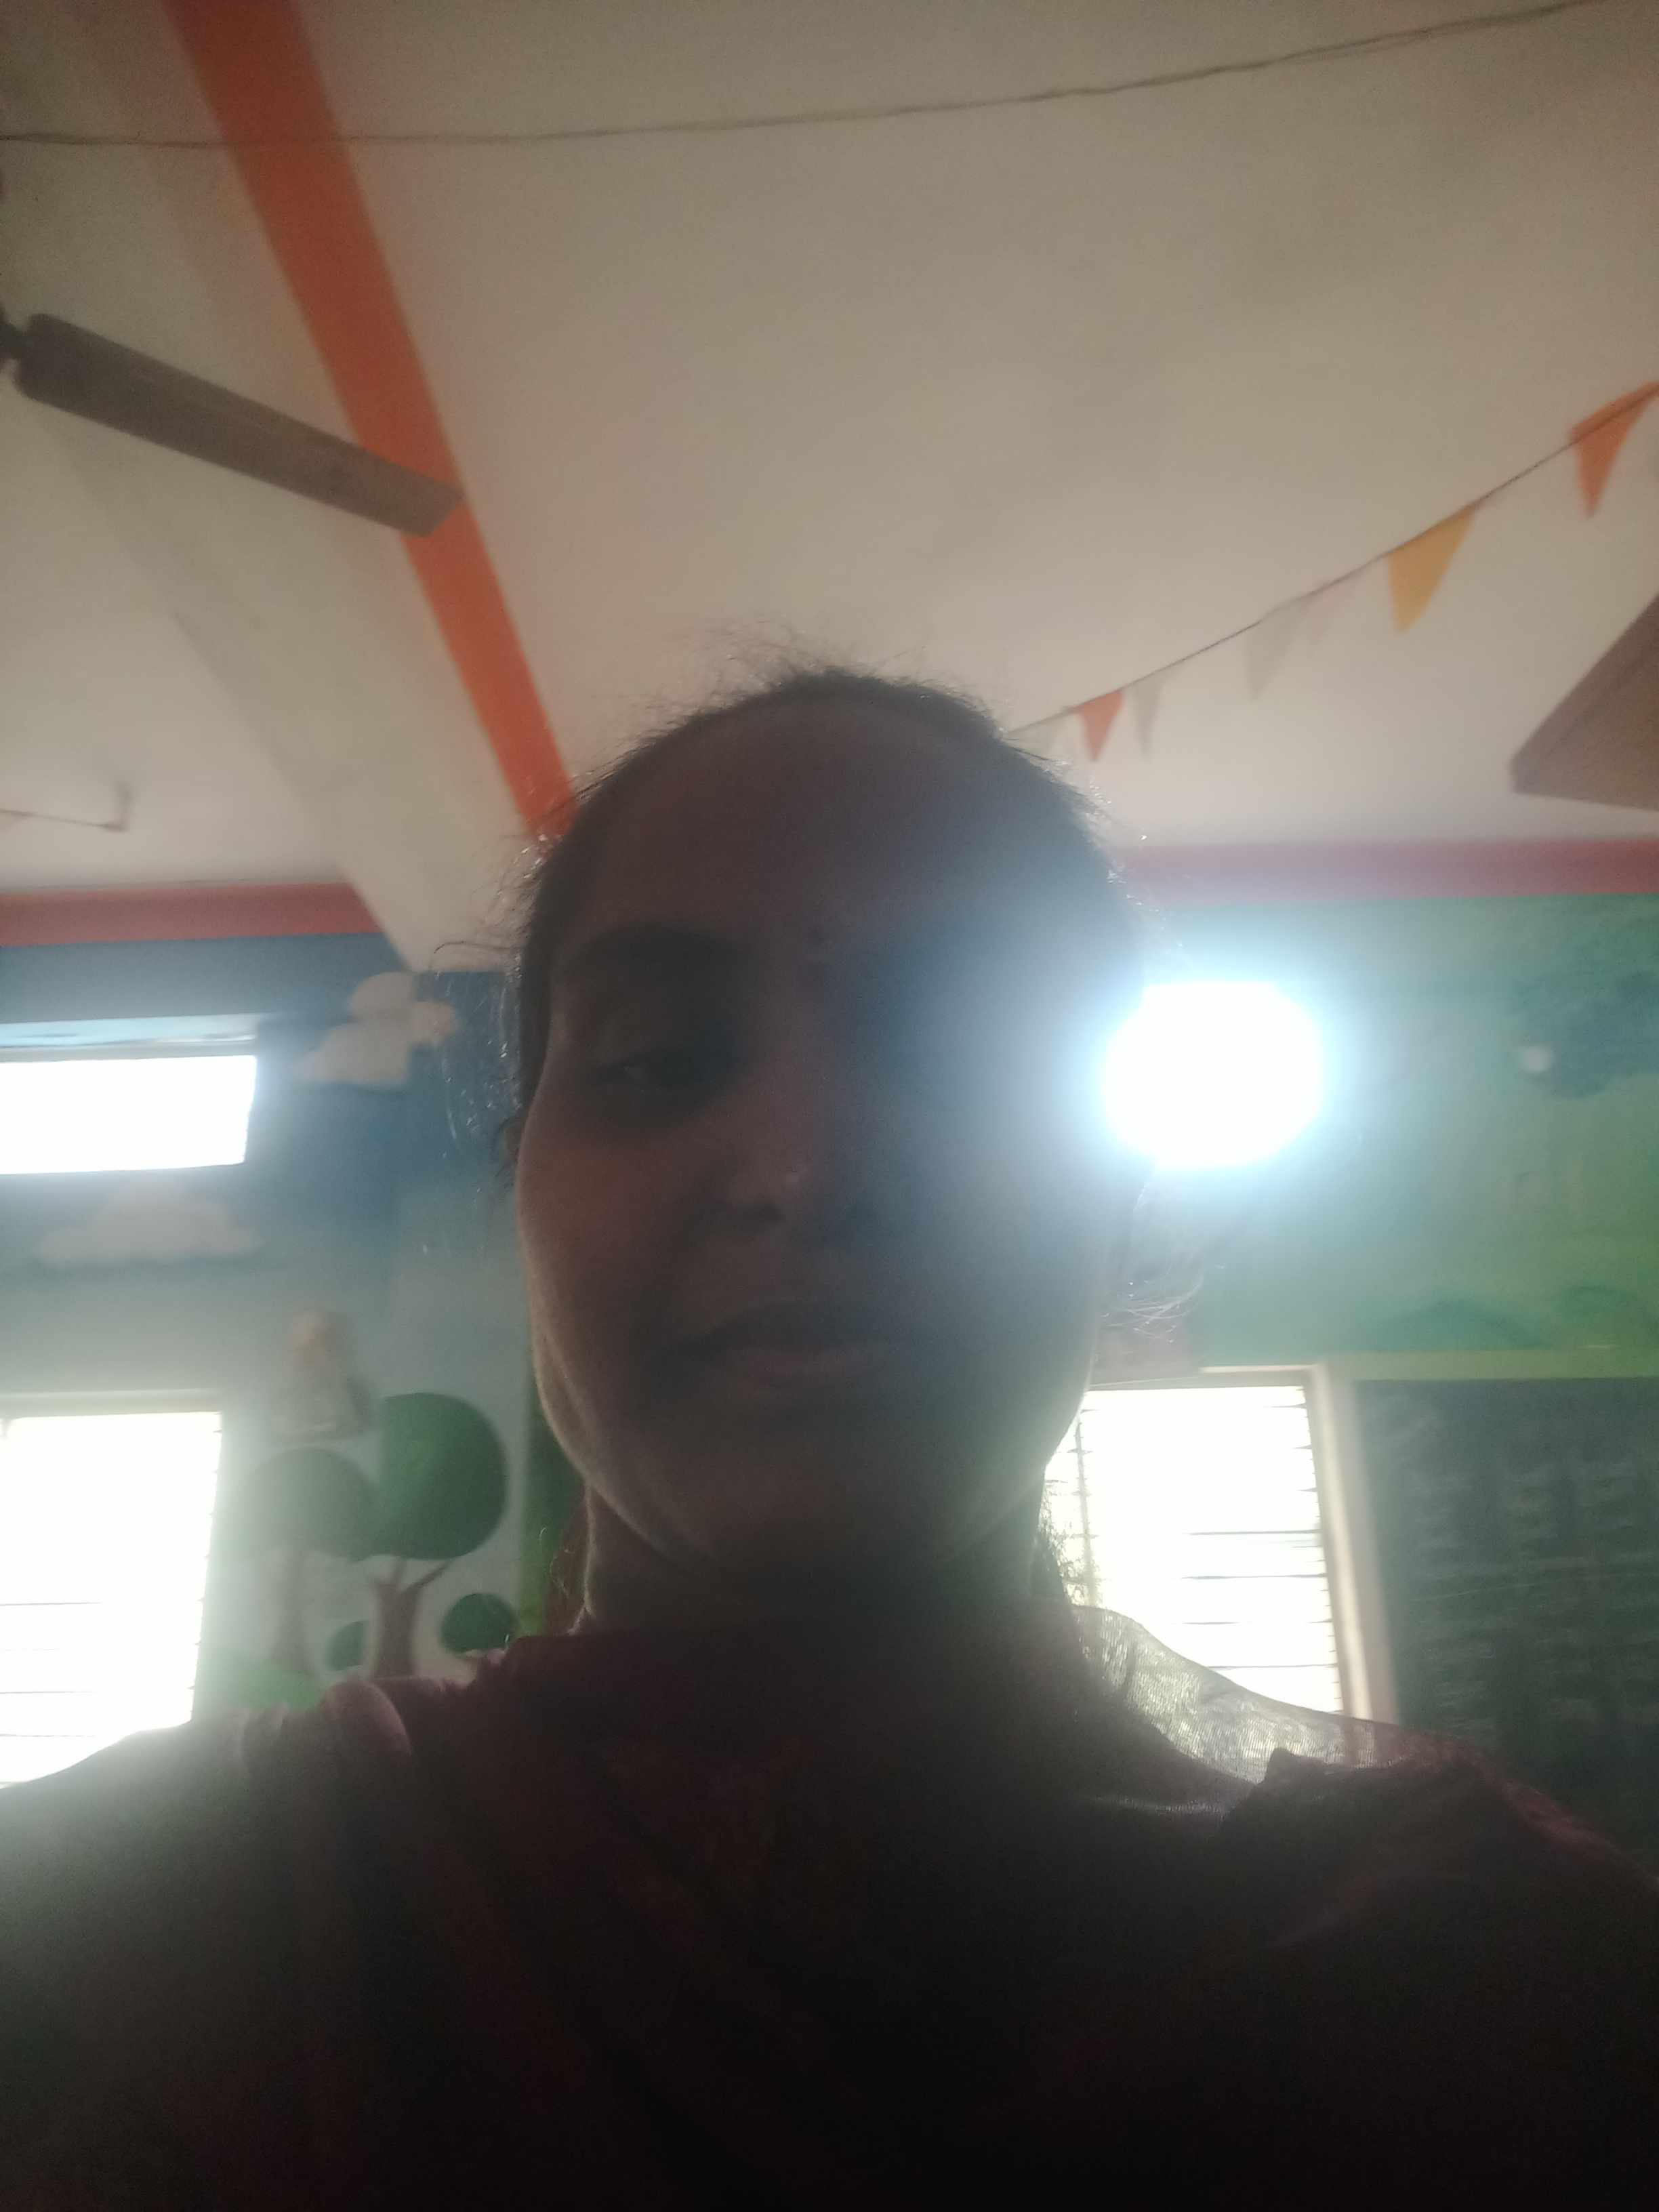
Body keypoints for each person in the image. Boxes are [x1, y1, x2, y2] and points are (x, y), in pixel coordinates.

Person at [1, 670, 1654, 2205]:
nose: (804, 1164)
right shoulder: (126, 1928)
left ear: (1124, 1214)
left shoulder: (1510, 2001)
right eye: (657, 1059)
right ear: (524, 1197)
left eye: (969, 1055)